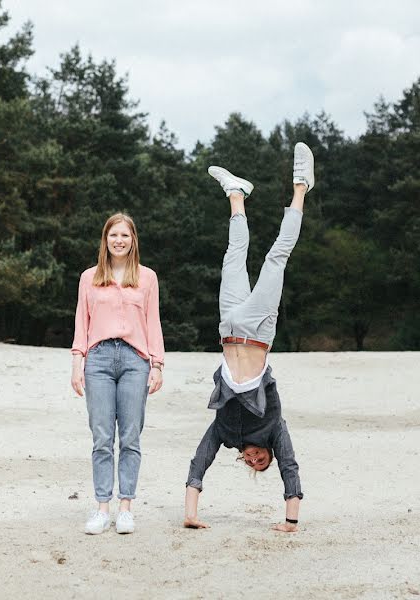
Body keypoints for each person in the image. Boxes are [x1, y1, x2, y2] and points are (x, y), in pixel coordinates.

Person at [183, 143, 314, 533]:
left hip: (228, 327)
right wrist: (291, 520)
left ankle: (236, 194)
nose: (256, 459)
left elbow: (198, 461)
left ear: (243, 458)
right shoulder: (274, 427)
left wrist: (190, 514)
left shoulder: (224, 431)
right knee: (276, 257)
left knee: (233, 255)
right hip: (257, 331)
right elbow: (290, 467)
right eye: (263, 462)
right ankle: (302, 186)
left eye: (252, 463)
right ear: (267, 453)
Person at [71, 213, 165, 535]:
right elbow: (81, 323)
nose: (119, 241)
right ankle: (101, 508)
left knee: (130, 436)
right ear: (105, 240)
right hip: (97, 359)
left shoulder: (148, 278)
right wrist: (77, 364)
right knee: (101, 438)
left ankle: (126, 508)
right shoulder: (89, 278)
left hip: (135, 361)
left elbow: (153, 323)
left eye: (125, 235)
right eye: (114, 236)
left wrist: (157, 365)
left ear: (133, 240)